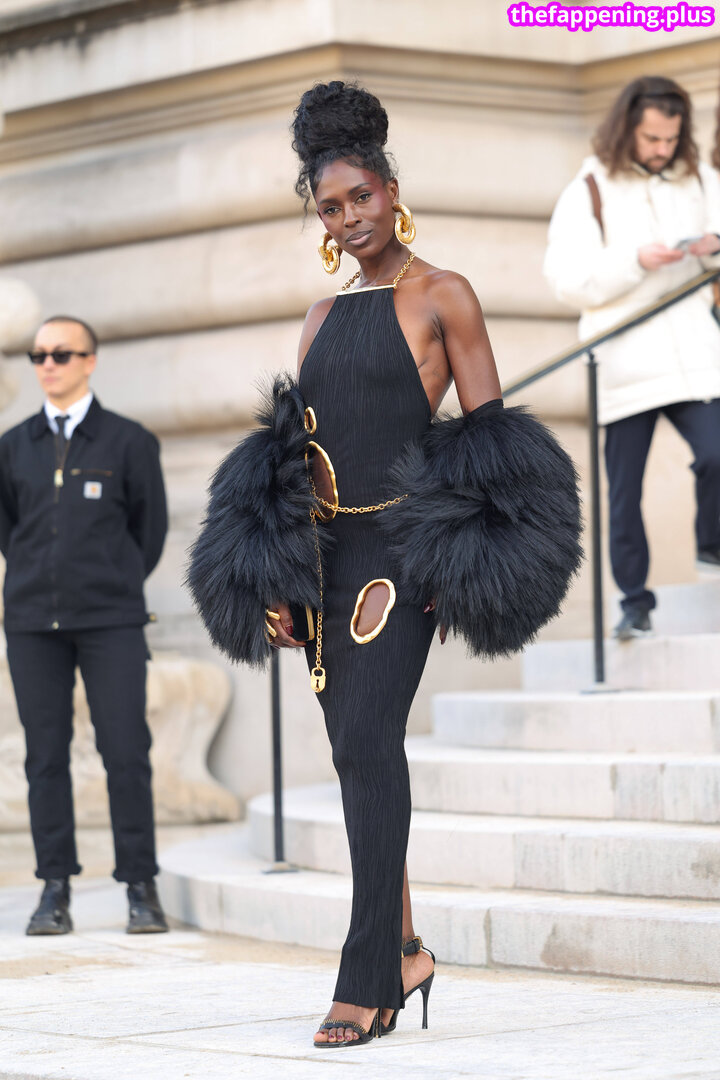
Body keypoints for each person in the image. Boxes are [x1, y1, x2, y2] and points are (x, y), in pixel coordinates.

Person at [189, 81, 581, 1047]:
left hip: (401, 561)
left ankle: (365, 978)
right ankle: (405, 948)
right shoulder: (321, 315)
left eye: (360, 196)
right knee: (355, 757)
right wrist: (276, 573)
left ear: (391, 189)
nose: (349, 218)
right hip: (326, 564)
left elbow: (491, 445)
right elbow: (293, 454)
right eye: (330, 207)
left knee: (367, 744)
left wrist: (459, 560)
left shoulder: (445, 295)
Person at [0, 315, 169, 936]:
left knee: (125, 752)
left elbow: (149, 532)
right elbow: (9, 530)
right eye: (38, 355)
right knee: (44, 758)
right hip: (31, 624)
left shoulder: (129, 441)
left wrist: (109, 581)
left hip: (110, 622)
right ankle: (54, 888)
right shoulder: (12, 446)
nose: (47, 364)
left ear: (89, 361)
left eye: (61, 354)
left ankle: (140, 887)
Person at [544, 75, 720, 641]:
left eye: (670, 138)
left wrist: (711, 247)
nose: (662, 149)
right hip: (625, 361)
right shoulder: (589, 188)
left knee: (717, 453)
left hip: (695, 352)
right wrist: (637, 260)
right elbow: (566, 279)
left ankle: (712, 546)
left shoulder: (700, 178)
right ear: (627, 129)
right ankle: (634, 603)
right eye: (651, 138)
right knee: (625, 493)